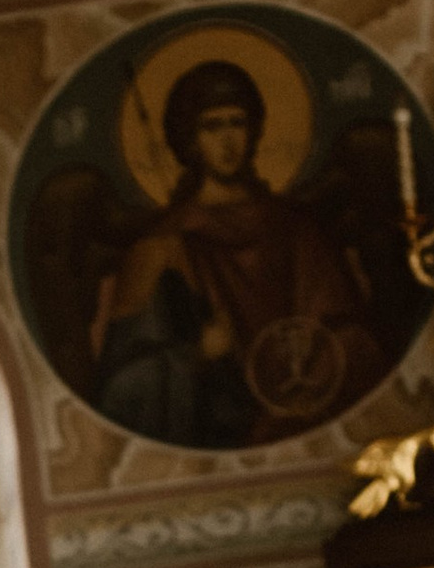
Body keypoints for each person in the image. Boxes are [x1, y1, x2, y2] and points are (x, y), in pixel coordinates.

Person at [95, 57, 379, 450]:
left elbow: (350, 331)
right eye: (212, 127)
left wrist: (312, 364)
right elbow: (121, 384)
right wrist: (196, 357)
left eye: (237, 123)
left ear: (255, 130)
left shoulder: (295, 228)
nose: (228, 141)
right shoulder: (162, 246)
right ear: (189, 140)